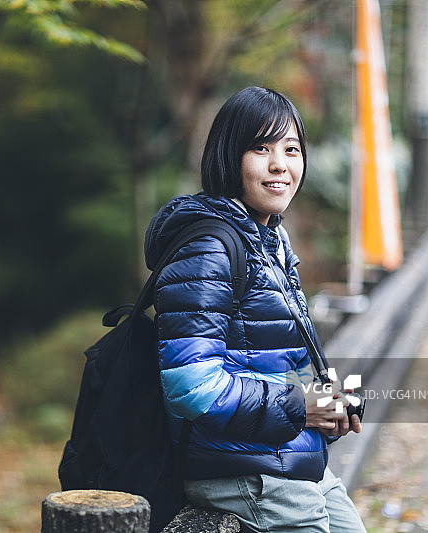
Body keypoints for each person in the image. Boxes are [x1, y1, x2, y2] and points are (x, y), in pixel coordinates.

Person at [144, 86, 366, 532]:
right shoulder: (209, 248)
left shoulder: (270, 240)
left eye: (291, 149)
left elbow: (277, 357)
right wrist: (299, 408)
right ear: (229, 157)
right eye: (261, 148)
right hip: (239, 467)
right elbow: (191, 386)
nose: (279, 164)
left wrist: (325, 404)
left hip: (286, 455)